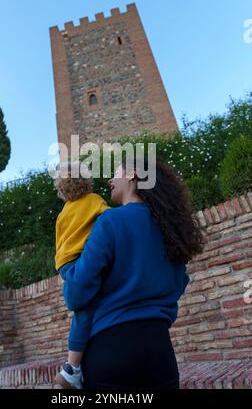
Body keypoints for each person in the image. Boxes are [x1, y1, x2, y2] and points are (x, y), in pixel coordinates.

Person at [62, 156, 204, 390]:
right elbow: (179, 282)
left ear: (132, 175)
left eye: (116, 172)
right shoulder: (170, 228)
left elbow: (76, 294)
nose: (110, 179)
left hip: (111, 349)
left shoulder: (110, 221)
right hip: (160, 351)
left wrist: (68, 274)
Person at [53, 161, 110, 389]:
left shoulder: (63, 212)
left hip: (65, 264)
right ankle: (72, 368)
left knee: (84, 306)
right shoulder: (94, 200)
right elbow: (111, 220)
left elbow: (60, 242)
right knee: (86, 310)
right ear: (86, 180)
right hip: (81, 260)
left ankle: (74, 367)